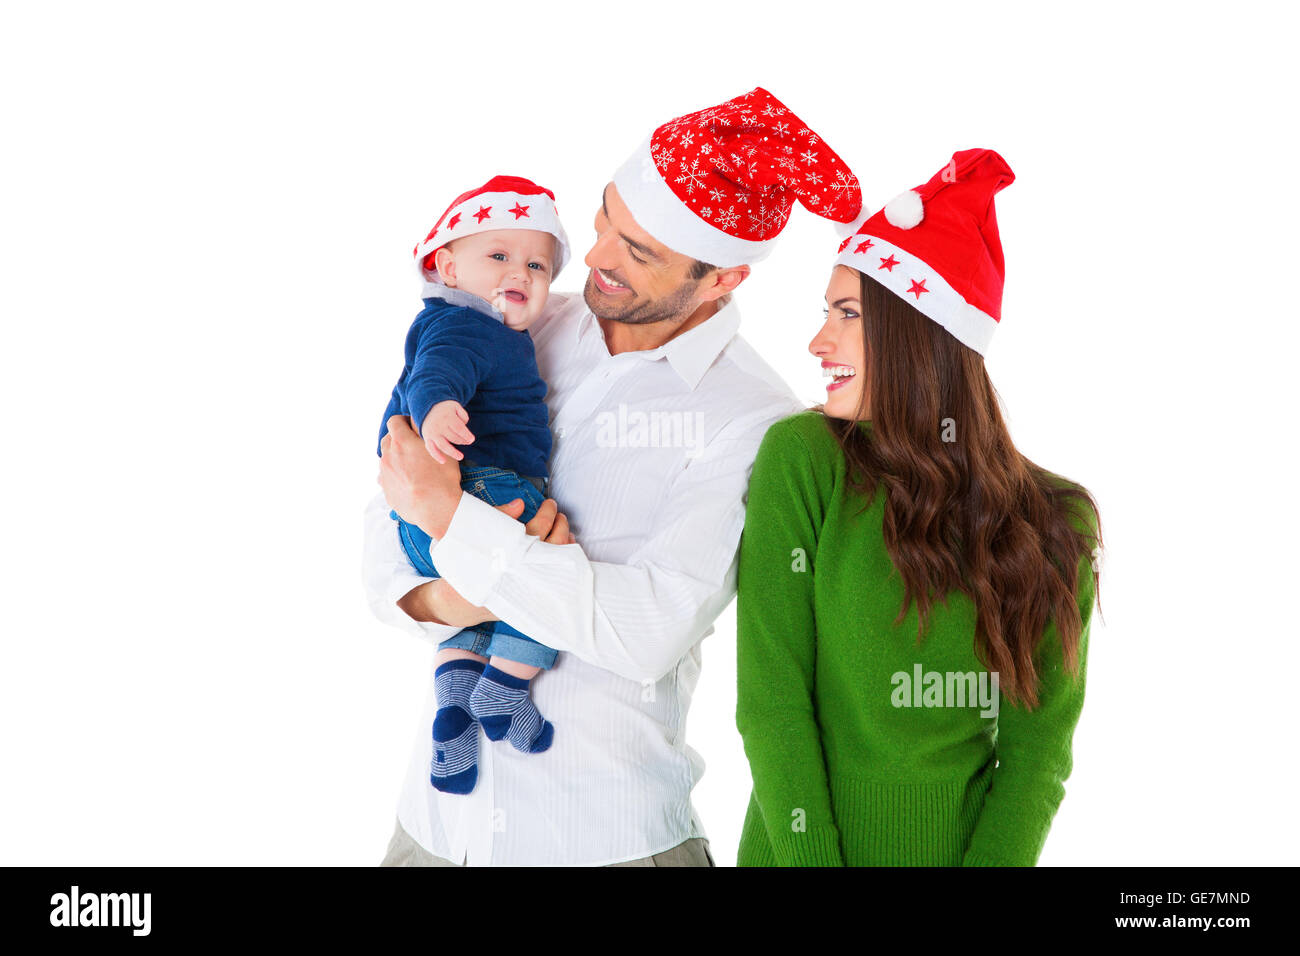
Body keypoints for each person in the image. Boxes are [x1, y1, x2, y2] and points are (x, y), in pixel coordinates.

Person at [365, 87, 861, 866]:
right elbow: (389, 509)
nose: (593, 257)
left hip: (605, 842)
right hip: (435, 832)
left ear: (724, 279)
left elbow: (644, 632)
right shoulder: (518, 322)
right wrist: (451, 591)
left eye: (640, 251)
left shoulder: (752, 420)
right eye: (605, 221)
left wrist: (455, 527)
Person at [735, 149, 1102, 866]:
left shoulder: (1056, 519)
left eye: (848, 314)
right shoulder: (805, 458)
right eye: (825, 312)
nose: (819, 341)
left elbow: (1038, 755)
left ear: (919, 334)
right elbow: (771, 705)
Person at [378, 175, 572, 794]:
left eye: (538, 264)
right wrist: (436, 410)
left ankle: (455, 711)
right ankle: (506, 691)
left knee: (469, 616)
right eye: (498, 256)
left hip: (419, 522)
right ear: (447, 266)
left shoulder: (484, 326)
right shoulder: (469, 326)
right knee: (549, 571)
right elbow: (437, 371)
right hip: (482, 489)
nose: (521, 272)